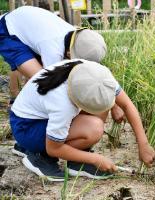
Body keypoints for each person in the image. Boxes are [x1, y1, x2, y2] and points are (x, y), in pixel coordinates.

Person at [0, 6, 125, 154]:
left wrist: (114, 105)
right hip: (8, 32)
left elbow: (94, 75)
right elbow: (48, 84)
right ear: (68, 53)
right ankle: (33, 139)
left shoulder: (81, 41)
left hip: (30, 28)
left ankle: (54, 133)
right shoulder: (53, 49)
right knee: (42, 80)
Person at [10, 59, 155, 181]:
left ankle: (75, 160)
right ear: (78, 102)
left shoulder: (97, 75)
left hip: (41, 116)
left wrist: (143, 144)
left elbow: (127, 104)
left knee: (101, 102)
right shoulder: (62, 104)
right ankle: (40, 157)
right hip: (26, 127)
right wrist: (95, 159)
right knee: (93, 128)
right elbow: (54, 148)